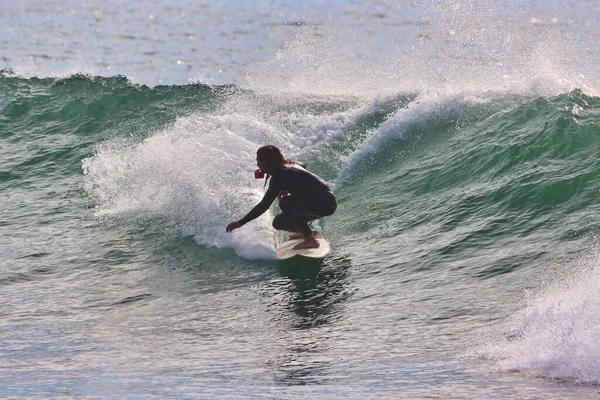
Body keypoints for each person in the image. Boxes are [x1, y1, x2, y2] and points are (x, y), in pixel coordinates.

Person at [226, 145, 337, 250]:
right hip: (321, 202)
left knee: (285, 203)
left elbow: (264, 205)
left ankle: (310, 239)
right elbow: (303, 164)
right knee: (279, 222)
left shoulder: (279, 175)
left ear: (265, 162)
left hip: (325, 203)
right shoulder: (290, 165)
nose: (257, 165)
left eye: (258, 161)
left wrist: (240, 222)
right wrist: (290, 184)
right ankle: (308, 232)